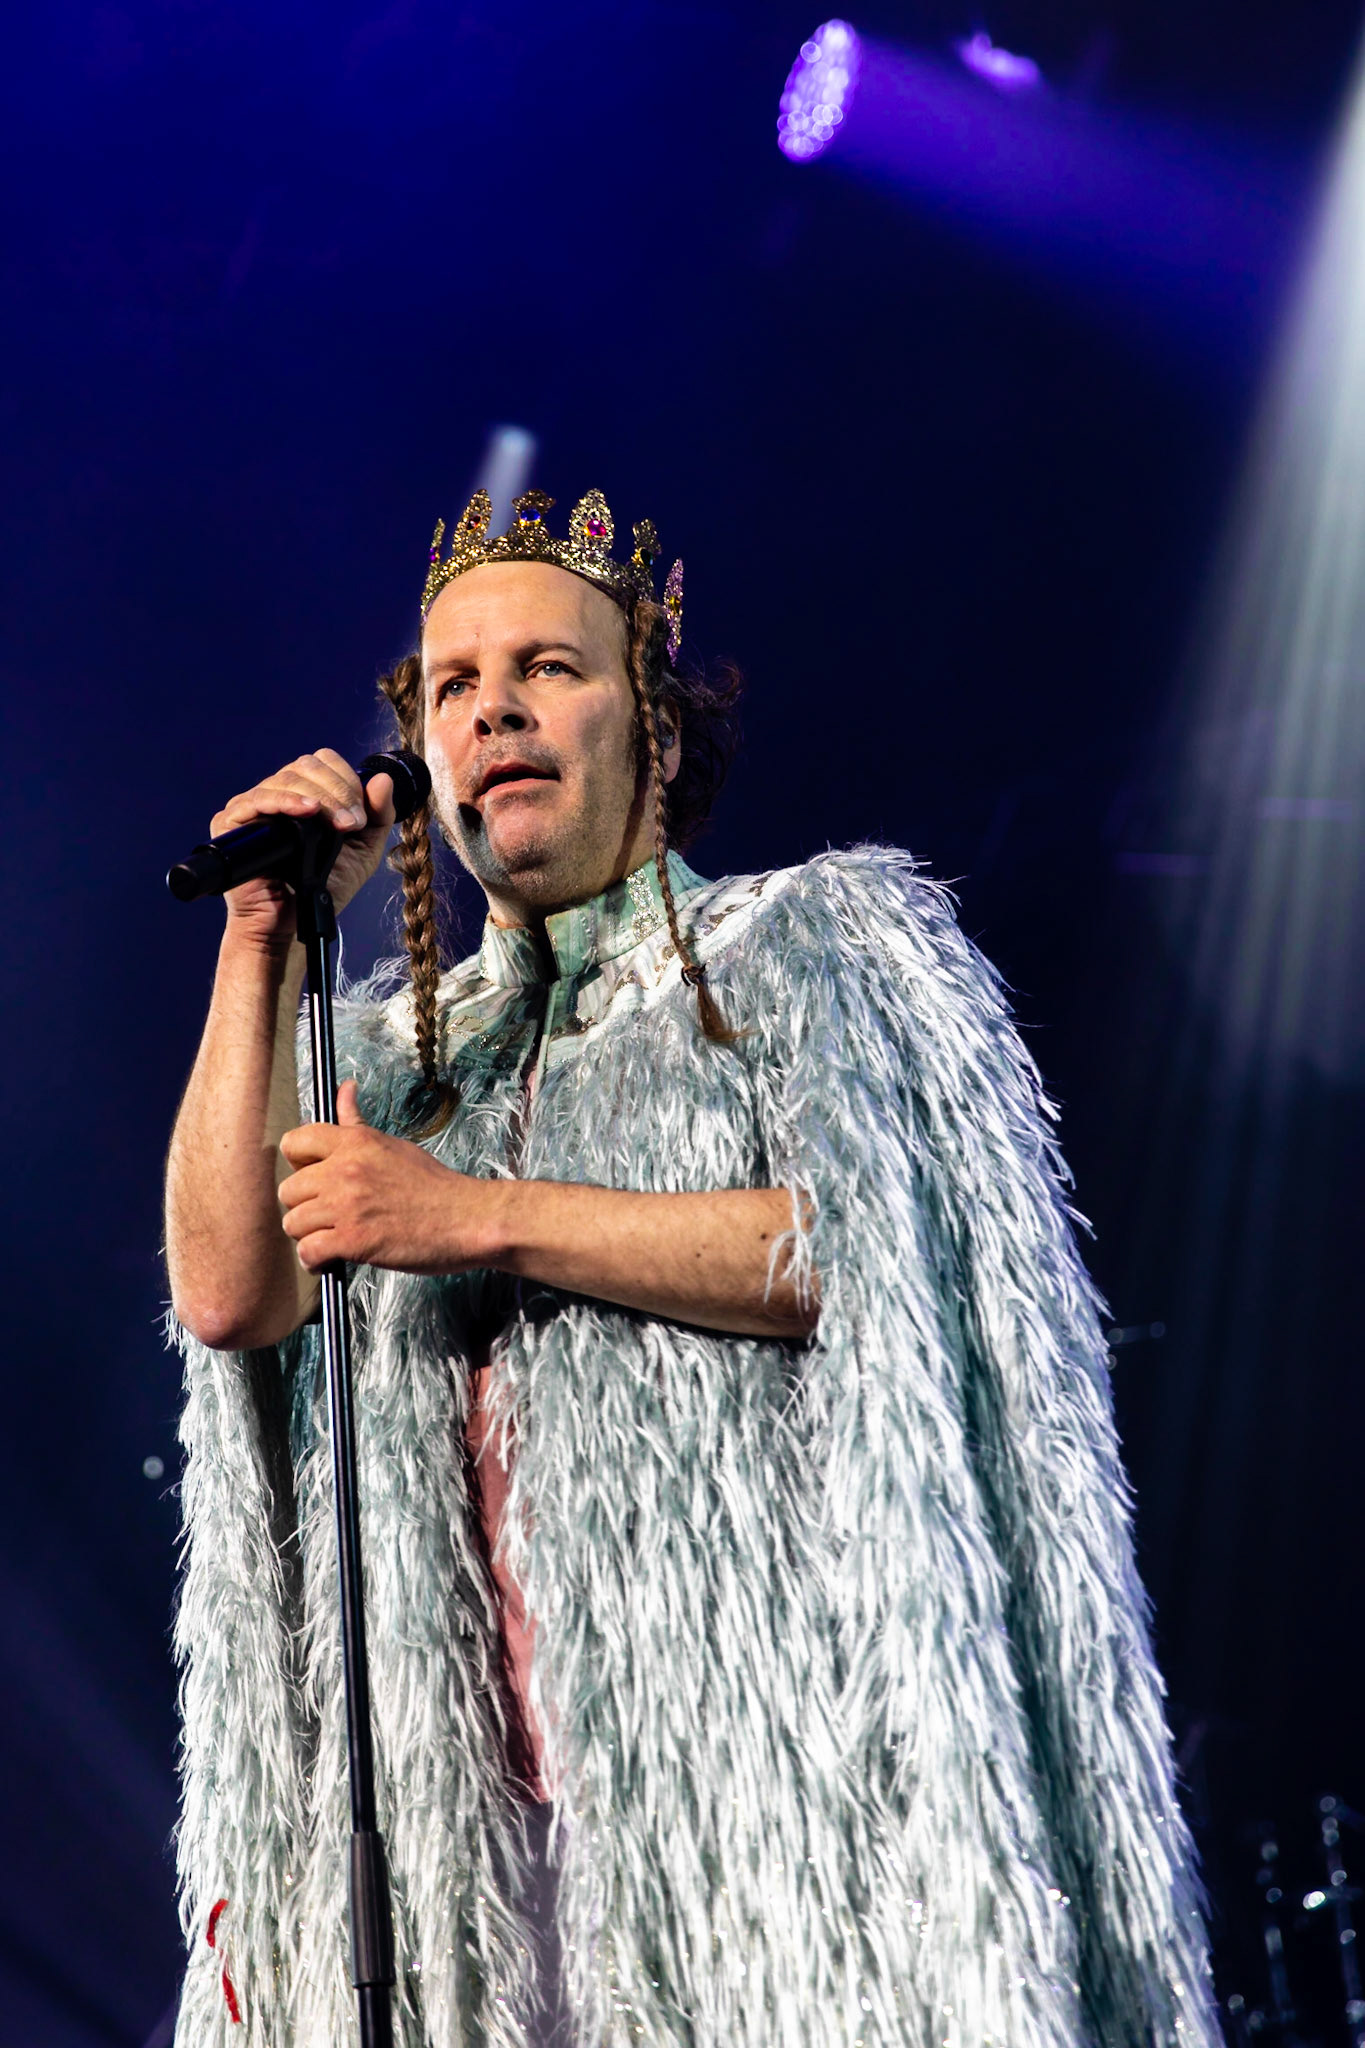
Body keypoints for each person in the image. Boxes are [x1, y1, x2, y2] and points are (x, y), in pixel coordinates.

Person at [164, 486, 1217, 2048]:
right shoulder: (382, 1064)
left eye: (548, 669)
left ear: (652, 730)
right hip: (484, 1885)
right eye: (452, 686)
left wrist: (484, 1217)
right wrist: (262, 941)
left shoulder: (817, 948)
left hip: (785, 1834)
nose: (493, 708)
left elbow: (882, 1253)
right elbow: (227, 1294)